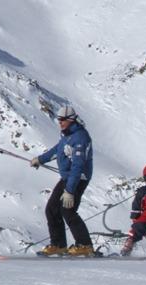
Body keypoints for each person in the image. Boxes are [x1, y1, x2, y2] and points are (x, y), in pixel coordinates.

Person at [30, 105, 95, 256]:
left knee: (68, 210)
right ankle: (58, 245)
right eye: (59, 119)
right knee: (52, 209)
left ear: (71, 119)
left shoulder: (80, 138)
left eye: (62, 120)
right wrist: (40, 159)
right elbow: (57, 150)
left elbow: (78, 166)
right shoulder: (67, 135)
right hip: (67, 177)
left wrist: (70, 191)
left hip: (78, 178)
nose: (59, 122)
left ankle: (85, 245)